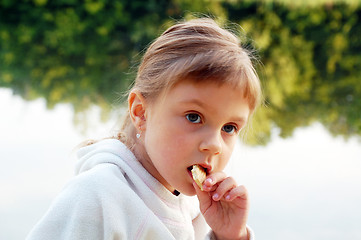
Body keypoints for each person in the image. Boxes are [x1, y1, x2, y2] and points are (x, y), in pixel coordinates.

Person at [26, 17, 262, 240]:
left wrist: (229, 236)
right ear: (141, 112)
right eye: (193, 117)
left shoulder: (199, 210)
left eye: (229, 128)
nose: (214, 144)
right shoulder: (97, 197)